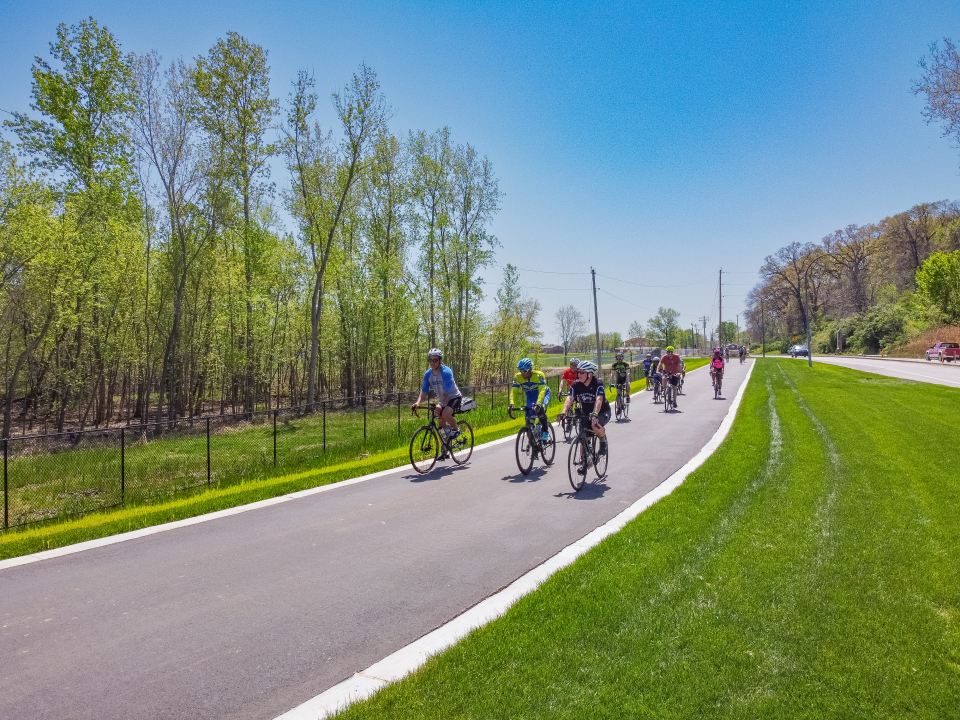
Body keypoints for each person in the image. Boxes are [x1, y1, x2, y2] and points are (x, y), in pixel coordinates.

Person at [556, 360, 610, 459]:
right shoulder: (576, 384)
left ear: (589, 374)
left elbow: (599, 399)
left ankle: (603, 441)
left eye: (582, 372)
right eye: (578, 372)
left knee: (595, 425)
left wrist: (595, 413)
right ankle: (583, 462)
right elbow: (569, 398)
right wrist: (563, 412)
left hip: (602, 412)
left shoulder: (598, 382)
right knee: (583, 437)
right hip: (585, 412)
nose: (579, 375)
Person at [412, 348, 461, 445]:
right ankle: (444, 450)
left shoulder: (446, 371)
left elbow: (446, 392)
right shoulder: (428, 374)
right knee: (441, 426)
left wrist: (440, 403)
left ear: (440, 360)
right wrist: (417, 403)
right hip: (442, 400)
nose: (433, 362)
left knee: (446, 413)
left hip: (453, 397)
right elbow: (424, 391)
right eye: (430, 360)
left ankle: (456, 430)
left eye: (435, 360)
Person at [509, 358, 552, 443]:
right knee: (529, 423)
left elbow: (542, 391)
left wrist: (539, 403)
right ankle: (534, 446)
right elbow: (514, 391)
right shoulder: (518, 377)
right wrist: (511, 403)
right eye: (520, 371)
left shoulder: (539, 375)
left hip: (543, 396)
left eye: (524, 371)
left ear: (530, 369)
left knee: (541, 411)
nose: (522, 373)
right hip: (530, 399)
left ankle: (545, 432)